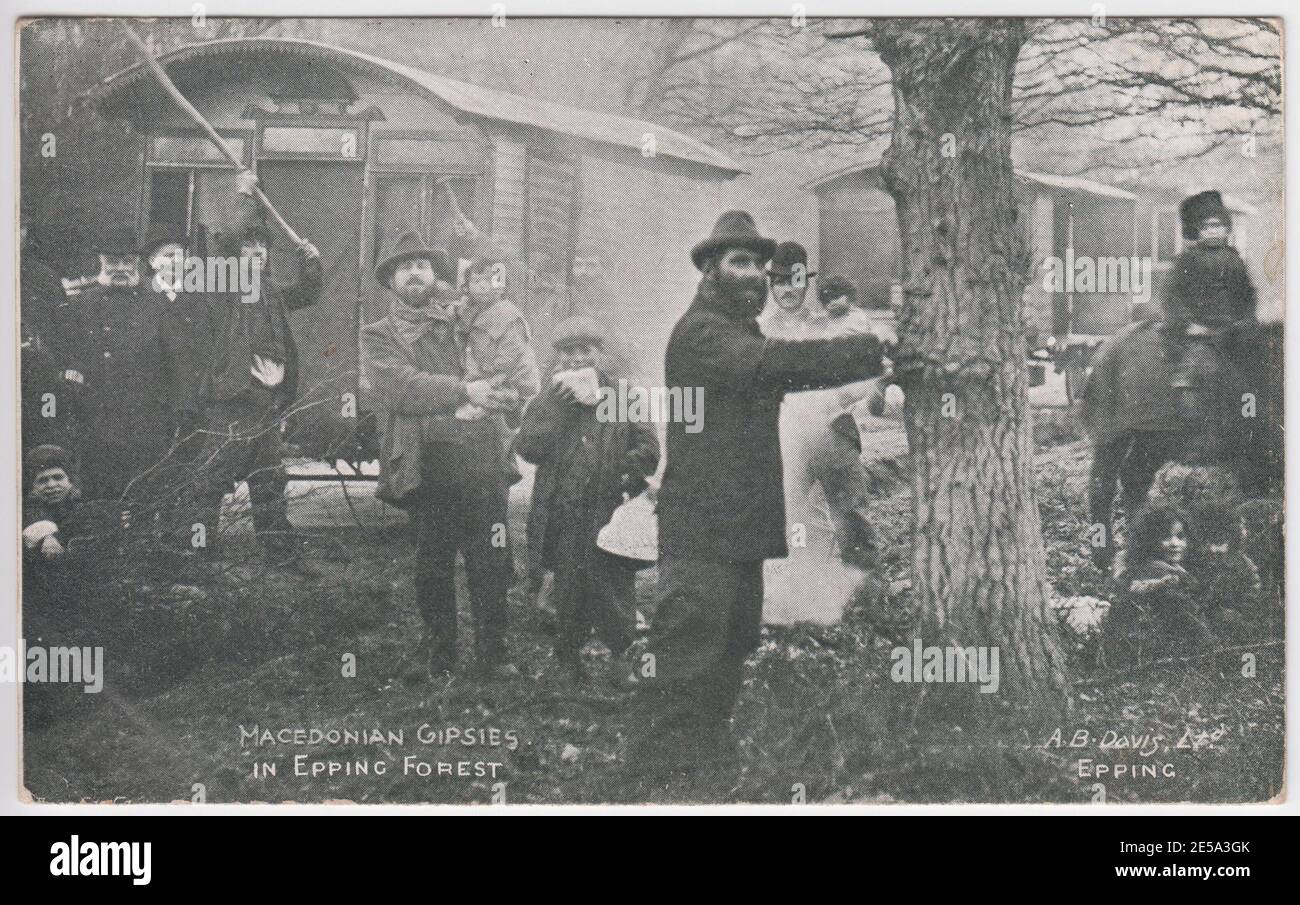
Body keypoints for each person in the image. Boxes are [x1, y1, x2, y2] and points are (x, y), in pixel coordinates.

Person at [627, 211, 888, 779]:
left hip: (738, 522)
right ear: (710, 269)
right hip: (701, 525)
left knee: (733, 642)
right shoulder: (703, 333)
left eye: (759, 265)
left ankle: (706, 763)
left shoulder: (737, 328)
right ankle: (653, 776)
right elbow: (776, 366)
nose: (754, 275)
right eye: (739, 261)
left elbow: (784, 370)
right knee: (687, 650)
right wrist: (871, 349)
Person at [360, 230, 521, 681]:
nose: (415, 272)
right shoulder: (379, 336)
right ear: (390, 281)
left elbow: (505, 356)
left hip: (482, 454)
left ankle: (495, 649)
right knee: (433, 562)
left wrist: (482, 247)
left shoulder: (468, 319)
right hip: (429, 460)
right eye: (404, 267)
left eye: (423, 265)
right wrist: (465, 391)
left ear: (436, 275)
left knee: (491, 556)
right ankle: (441, 651)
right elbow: (401, 388)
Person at [515, 317, 659, 683]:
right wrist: (555, 411)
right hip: (562, 509)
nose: (578, 359)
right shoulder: (548, 399)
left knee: (613, 584)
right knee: (568, 585)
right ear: (559, 358)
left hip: (608, 509)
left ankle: (622, 655)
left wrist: (625, 471)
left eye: (586, 350)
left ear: (601, 354)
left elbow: (648, 449)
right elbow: (528, 448)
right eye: (568, 352)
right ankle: (568, 656)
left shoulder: (623, 396)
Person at [189, 173, 321, 556]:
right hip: (234, 399)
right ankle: (196, 553)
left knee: (269, 479)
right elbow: (225, 240)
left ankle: (279, 553)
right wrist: (243, 195)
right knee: (210, 479)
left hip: (265, 401)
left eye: (262, 246)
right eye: (250, 246)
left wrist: (310, 261)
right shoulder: (226, 283)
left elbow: (306, 293)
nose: (257, 252)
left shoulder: (269, 290)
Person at [759, 244, 883, 589]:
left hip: (831, 434)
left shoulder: (829, 325)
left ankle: (865, 593)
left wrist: (838, 400)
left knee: (852, 515)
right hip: (785, 440)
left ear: (805, 284)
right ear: (771, 286)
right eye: (780, 282)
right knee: (788, 519)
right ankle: (796, 593)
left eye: (795, 281)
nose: (787, 290)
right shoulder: (760, 333)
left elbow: (864, 370)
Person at [62, 226, 173, 503]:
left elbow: (173, 359)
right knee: (102, 494)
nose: (120, 268)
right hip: (99, 415)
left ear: (137, 263)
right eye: (113, 262)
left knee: (146, 493)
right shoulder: (80, 305)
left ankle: (143, 545)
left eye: (127, 261)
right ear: (101, 262)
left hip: (147, 416)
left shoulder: (159, 303)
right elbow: (68, 357)